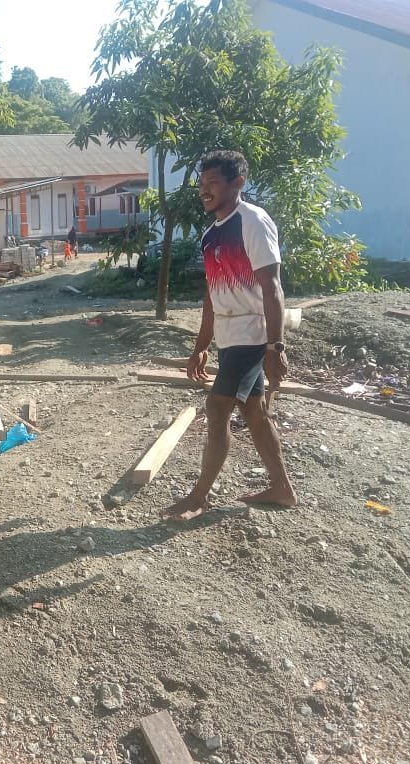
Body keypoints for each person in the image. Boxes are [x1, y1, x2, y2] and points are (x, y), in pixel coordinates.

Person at [160, 150, 297, 522]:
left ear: (237, 183)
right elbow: (212, 296)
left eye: (213, 183)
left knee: (217, 408)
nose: (204, 191)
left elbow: (272, 287)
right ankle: (282, 489)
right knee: (254, 412)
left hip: (253, 334)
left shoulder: (253, 221)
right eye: (201, 184)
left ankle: (198, 497)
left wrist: (275, 346)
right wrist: (200, 347)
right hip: (229, 335)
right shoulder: (211, 235)